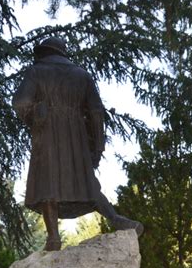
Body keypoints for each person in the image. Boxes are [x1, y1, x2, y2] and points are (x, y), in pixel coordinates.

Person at [13, 36, 143, 250]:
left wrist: (34, 116)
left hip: (46, 133)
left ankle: (53, 237)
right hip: (76, 136)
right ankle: (115, 218)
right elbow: (96, 112)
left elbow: (21, 103)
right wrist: (98, 146)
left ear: (44, 52)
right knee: (86, 180)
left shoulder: (36, 71)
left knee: (48, 182)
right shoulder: (82, 75)